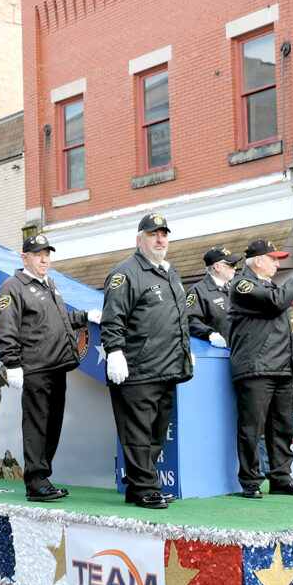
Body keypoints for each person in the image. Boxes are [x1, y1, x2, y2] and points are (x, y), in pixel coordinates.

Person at [0, 233, 98, 502]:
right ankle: (35, 481)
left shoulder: (50, 285)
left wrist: (84, 317)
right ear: (24, 258)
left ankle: (44, 478)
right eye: (38, 254)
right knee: (37, 425)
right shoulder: (13, 287)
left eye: (47, 254)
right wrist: (12, 363)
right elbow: (6, 328)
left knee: (52, 426)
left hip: (57, 367)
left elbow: (58, 321)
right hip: (35, 368)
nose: (44, 259)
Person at [100, 213, 193, 510]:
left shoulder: (170, 272)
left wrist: (185, 350)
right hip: (137, 370)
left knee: (155, 435)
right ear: (139, 239)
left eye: (164, 234)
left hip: (166, 369)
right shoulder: (125, 273)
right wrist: (114, 351)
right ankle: (145, 488)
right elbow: (113, 317)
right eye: (153, 234)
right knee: (137, 434)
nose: (160, 239)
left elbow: (178, 318)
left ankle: (139, 487)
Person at [228, 240, 293, 498]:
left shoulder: (268, 285)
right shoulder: (243, 285)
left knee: (282, 427)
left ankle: (280, 477)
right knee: (251, 428)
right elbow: (277, 302)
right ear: (257, 261)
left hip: (279, 368)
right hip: (256, 368)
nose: (278, 264)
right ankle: (250, 481)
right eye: (273, 259)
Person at [186, 246, 242, 347]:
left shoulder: (235, 288)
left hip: (239, 351)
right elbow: (189, 319)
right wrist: (210, 334)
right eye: (231, 264)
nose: (235, 267)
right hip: (216, 353)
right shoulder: (199, 291)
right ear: (217, 266)